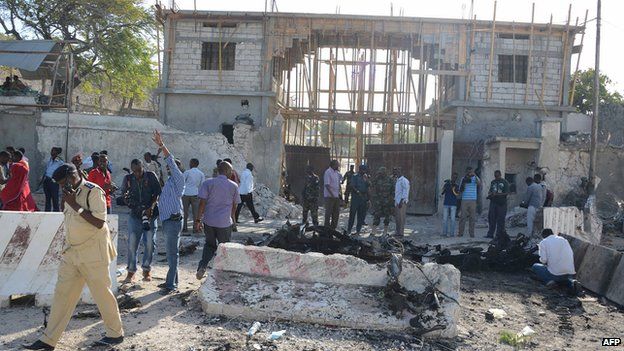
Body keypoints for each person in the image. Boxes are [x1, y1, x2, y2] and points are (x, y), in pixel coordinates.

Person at [23, 164, 123, 350]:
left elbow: (100, 223)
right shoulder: (69, 193)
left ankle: (115, 334)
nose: (62, 187)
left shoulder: (93, 191)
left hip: (94, 254)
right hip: (72, 253)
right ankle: (48, 340)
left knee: (102, 295)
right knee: (62, 296)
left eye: (63, 183)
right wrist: (67, 201)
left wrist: (75, 205)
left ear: (71, 176)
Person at [195, 160, 241, 280]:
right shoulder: (233, 186)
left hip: (209, 221)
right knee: (225, 247)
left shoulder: (208, 183)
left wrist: (198, 220)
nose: (232, 172)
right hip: (224, 223)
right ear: (227, 171)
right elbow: (234, 206)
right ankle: (222, 273)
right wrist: (234, 221)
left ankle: (202, 266)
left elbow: (202, 203)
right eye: (231, 170)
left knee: (209, 245)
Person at [152, 131, 185, 295]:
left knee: (172, 254)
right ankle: (172, 281)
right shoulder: (170, 182)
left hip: (173, 221)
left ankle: (171, 285)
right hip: (168, 221)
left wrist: (161, 145)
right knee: (172, 253)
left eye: (171, 167)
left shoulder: (179, 178)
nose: (168, 168)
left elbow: (170, 161)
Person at [121, 158, 161, 283]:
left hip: (150, 215)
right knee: (132, 244)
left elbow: (158, 193)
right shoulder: (128, 179)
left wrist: (151, 207)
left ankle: (146, 270)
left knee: (149, 244)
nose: (137, 174)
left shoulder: (151, 176)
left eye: (139, 170)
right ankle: (131, 272)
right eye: (134, 171)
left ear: (143, 167)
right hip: (135, 215)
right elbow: (123, 195)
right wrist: (129, 202)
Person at [531, 228, 579, 293]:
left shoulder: (543, 242)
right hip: (569, 272)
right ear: (552, 233)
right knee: (563, 278)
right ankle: (571, 282)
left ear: (544, 236)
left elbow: (543, 260)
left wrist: (543, 261)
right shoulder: (564, 240)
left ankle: (549, 281)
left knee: (535, 266)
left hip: (555, 274)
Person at [182, 158, 205, 233]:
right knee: (196, 213)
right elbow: (202, 185)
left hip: (186, 194)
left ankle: (184, 227)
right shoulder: (201, 173)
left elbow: (182, 182)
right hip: (196, 194)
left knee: (185, 212)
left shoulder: (187, 172)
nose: (189, 164)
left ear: (192, 164)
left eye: (190, 163)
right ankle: (195, 228)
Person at [370, 167, 394, 236]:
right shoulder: (377, 179)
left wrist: (391, 199)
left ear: (385, 172)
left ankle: (385, 231)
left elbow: (393, 190)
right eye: (380, 172)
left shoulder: (390, 180)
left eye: (381, 172)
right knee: (376, 215)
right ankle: (373, 231)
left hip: (387, 201)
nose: (380, 174)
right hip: (378, 201)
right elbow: (371, 184)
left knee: (387, 216)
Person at [458, 167, 481, 238]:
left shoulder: (475, 178)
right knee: (462, 217)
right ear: (466, 172)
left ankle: (472, 233)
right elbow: (460, 190)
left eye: (470, 172)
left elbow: (479, 184)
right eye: (468, 172)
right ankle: (460, 233)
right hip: (464, 199)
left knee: (472, 217)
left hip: (473, 200)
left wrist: (474, 175)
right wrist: (464, 182)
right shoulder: (463, 178)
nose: (469, 173)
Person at [347, 165, 370, 236]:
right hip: (355, 197)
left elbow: (369, 186)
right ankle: (349, 230)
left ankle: (358, 231)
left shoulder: (366, 177)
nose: (364, 171)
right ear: (360, 170)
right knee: (352, 214)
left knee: (361, 215)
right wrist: (357, 191)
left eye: (365, 170)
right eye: (363, 170)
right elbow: (352, 185)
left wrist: (367, 180)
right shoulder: (355, 176)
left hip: (363, 197)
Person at [486, 170, 510, 239]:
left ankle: (499, 235)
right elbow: (490, 191)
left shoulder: (505, 182)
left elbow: (507, 192)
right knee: (491, 219)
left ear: (500, 175)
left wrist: (497, 194)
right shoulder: (493, 182)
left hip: (502, 203)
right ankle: (490, 234)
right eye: (495, 176)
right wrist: (490, 195)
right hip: (493, 202)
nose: (496, 177)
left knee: (501, 220)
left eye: (497, 176)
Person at [42, 147, 64, 212]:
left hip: (53, 182)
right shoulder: (50, 160)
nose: (52, 152)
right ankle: (47, 212)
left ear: (57, 153)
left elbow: (61, 173)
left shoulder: (60, 162)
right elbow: (47, 170)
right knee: (47, 198)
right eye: (51, 151)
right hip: (46, 180)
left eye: (53, 151)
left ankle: (56, 212)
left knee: (55, 198)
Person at [323, 160, 342, 229]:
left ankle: (333, 228)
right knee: (328, 213)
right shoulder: (328, 172)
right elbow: (327, 185)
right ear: (333, 165)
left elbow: (339, 183)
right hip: (329, 197)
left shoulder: (337, 173)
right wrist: (332, 195)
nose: (338, 166)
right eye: (337, 165)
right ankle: (326, 229)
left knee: (336, 213)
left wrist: (339, 193)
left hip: (336, 196)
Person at [441, 172, 459, 237]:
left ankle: (451, 234)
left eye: (455, 177)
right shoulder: (447, 184)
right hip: (446, 203)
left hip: (453, 204)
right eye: (453, 177)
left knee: (452, 220)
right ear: (451, 177)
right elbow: (442, 192)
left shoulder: (456, 185)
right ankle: (444, 233)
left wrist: (452, 186)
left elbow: (457, 194)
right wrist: (446, 185)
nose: (454, 178)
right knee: (445, 219)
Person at [394, 167, 410, 237]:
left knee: (401, 218)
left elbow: (405, 191)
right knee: (397, 218)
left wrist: (401, 201)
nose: (396, 173)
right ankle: (397, 232)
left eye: (397, 171)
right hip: (397, 202)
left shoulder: (404, 180)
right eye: (395, 171)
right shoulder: (398, 180)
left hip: (401, 202)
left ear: (401, 172)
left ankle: (401, 233)